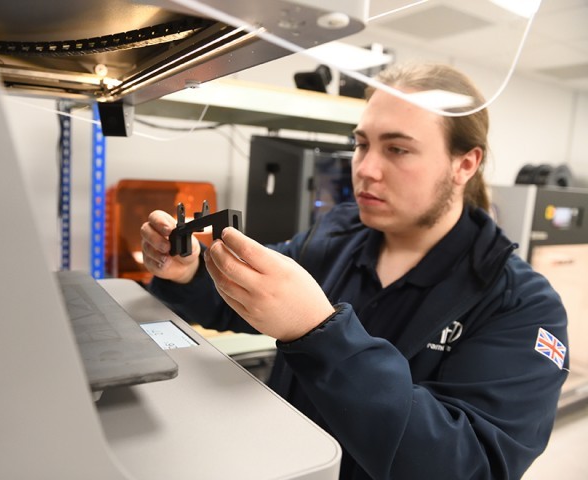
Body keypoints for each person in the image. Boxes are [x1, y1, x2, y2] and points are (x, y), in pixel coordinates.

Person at [140, 62, 569, 479]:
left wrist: (316, 331)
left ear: (465, 164)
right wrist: (191, 271)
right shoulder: (337, 235)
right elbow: (240, 302)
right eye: (362, 144)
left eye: (397, 149)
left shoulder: (520, 304)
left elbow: (469, 464)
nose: (365, 169)